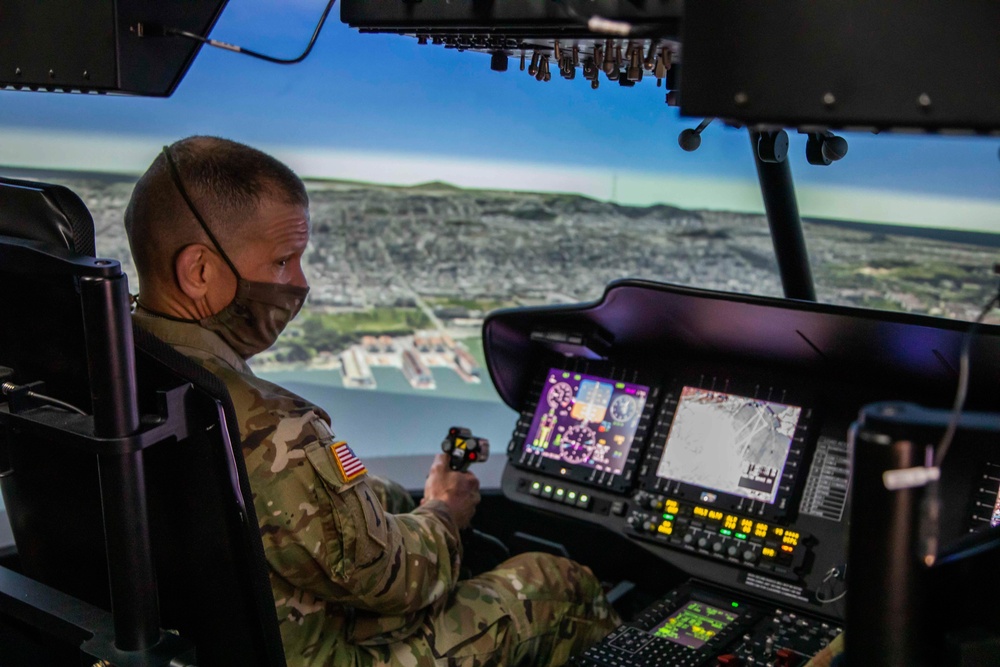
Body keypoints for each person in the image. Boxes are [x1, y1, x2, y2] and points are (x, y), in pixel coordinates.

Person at [125, 136, 620, 666]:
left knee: (385, 496)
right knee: (554, 585)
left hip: (203, 641)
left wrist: (404, 505)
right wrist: (445, 511)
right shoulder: (268, 423)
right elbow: (400, 583)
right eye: (283, 261)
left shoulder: (119, 363)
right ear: (199, 271)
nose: (299, 282)